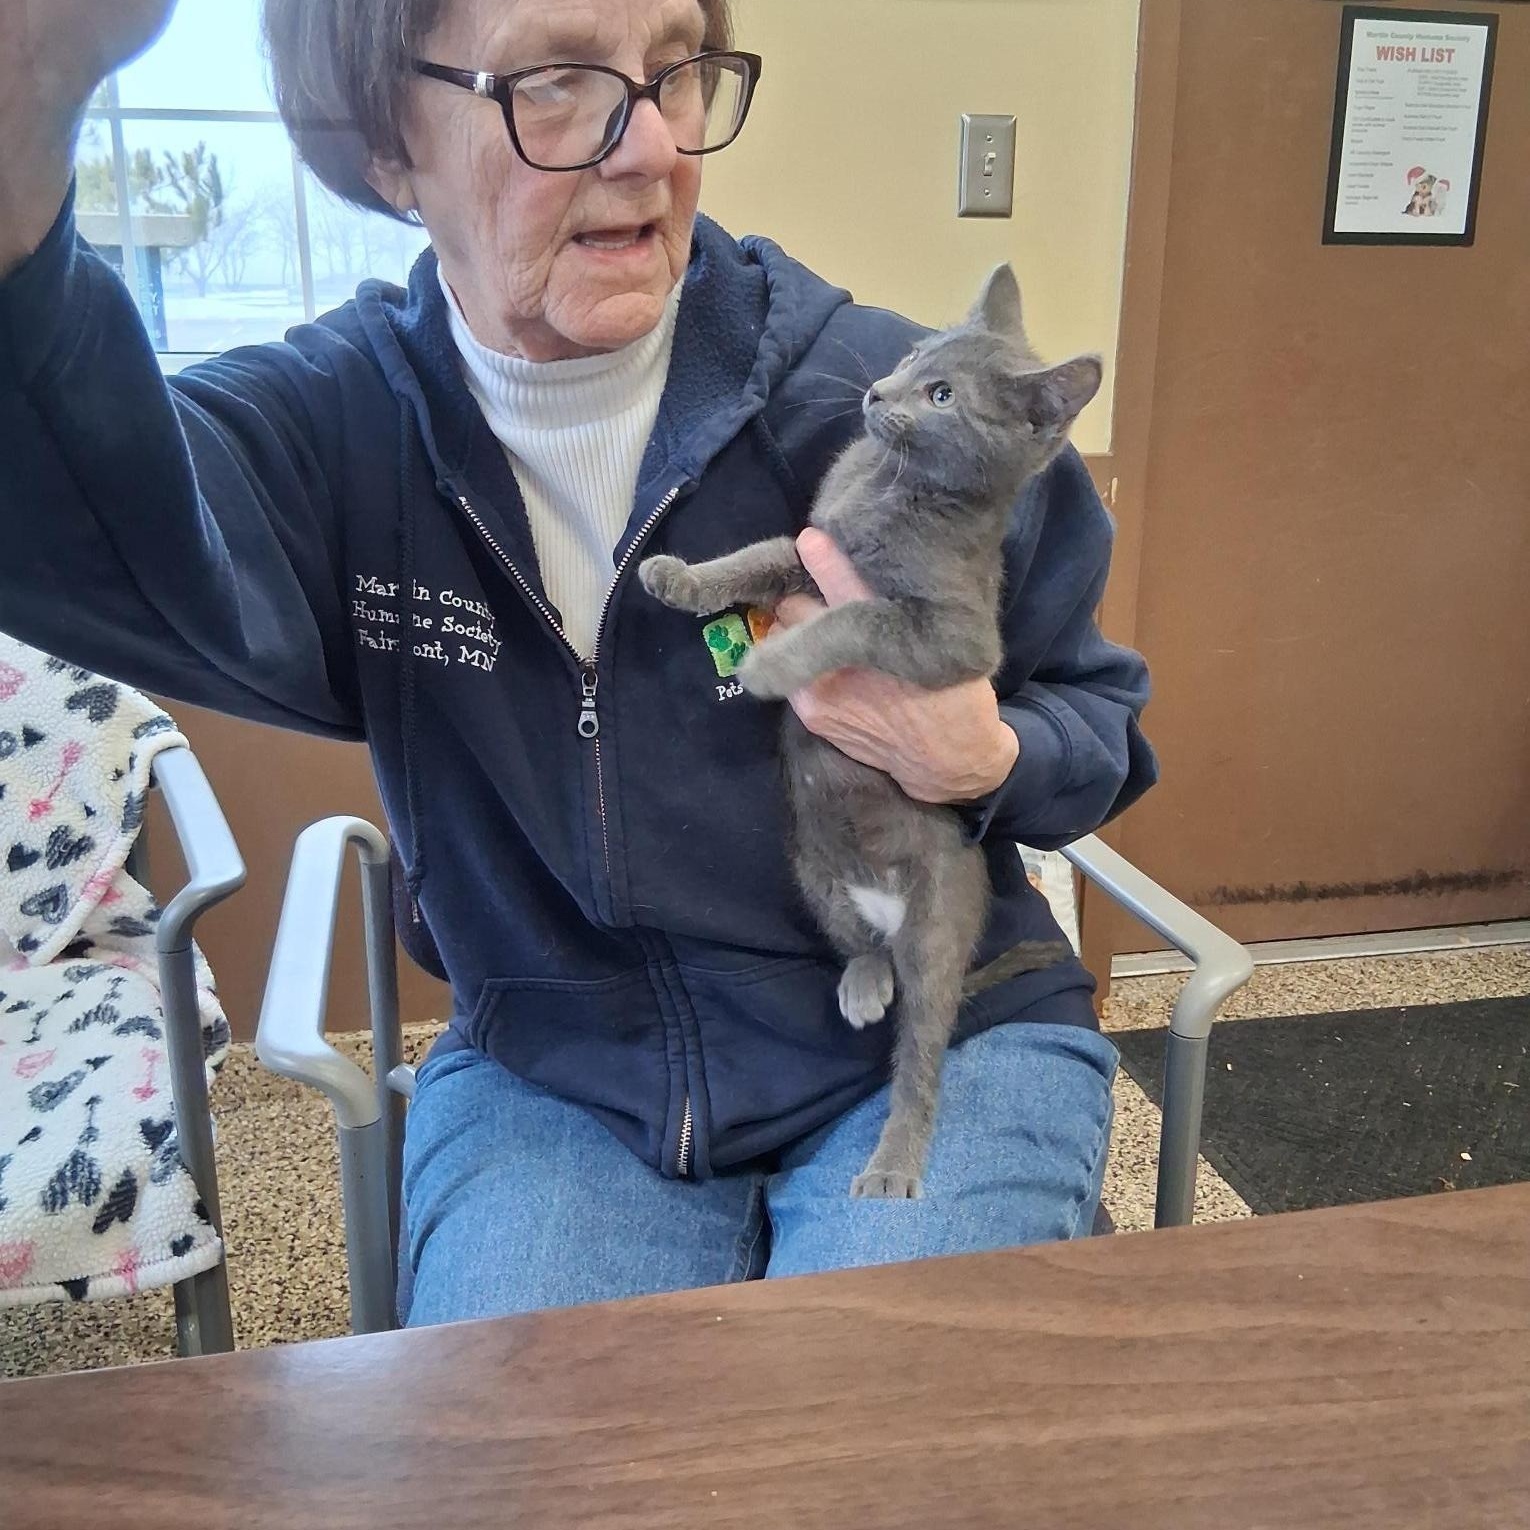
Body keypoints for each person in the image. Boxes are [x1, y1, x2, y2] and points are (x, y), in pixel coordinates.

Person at [0, 0, 1156, 1326]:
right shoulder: (335, 434)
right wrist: (24, 119)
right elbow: (98, 517)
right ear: (386, 145)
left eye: (672, 71)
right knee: (531, 1476)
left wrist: (990, 752)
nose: (652, 143)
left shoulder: (880, 399)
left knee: (862, 1457)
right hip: (563, 1072)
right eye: (557, 81)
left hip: (934, 1031)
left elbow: (1098, 717)